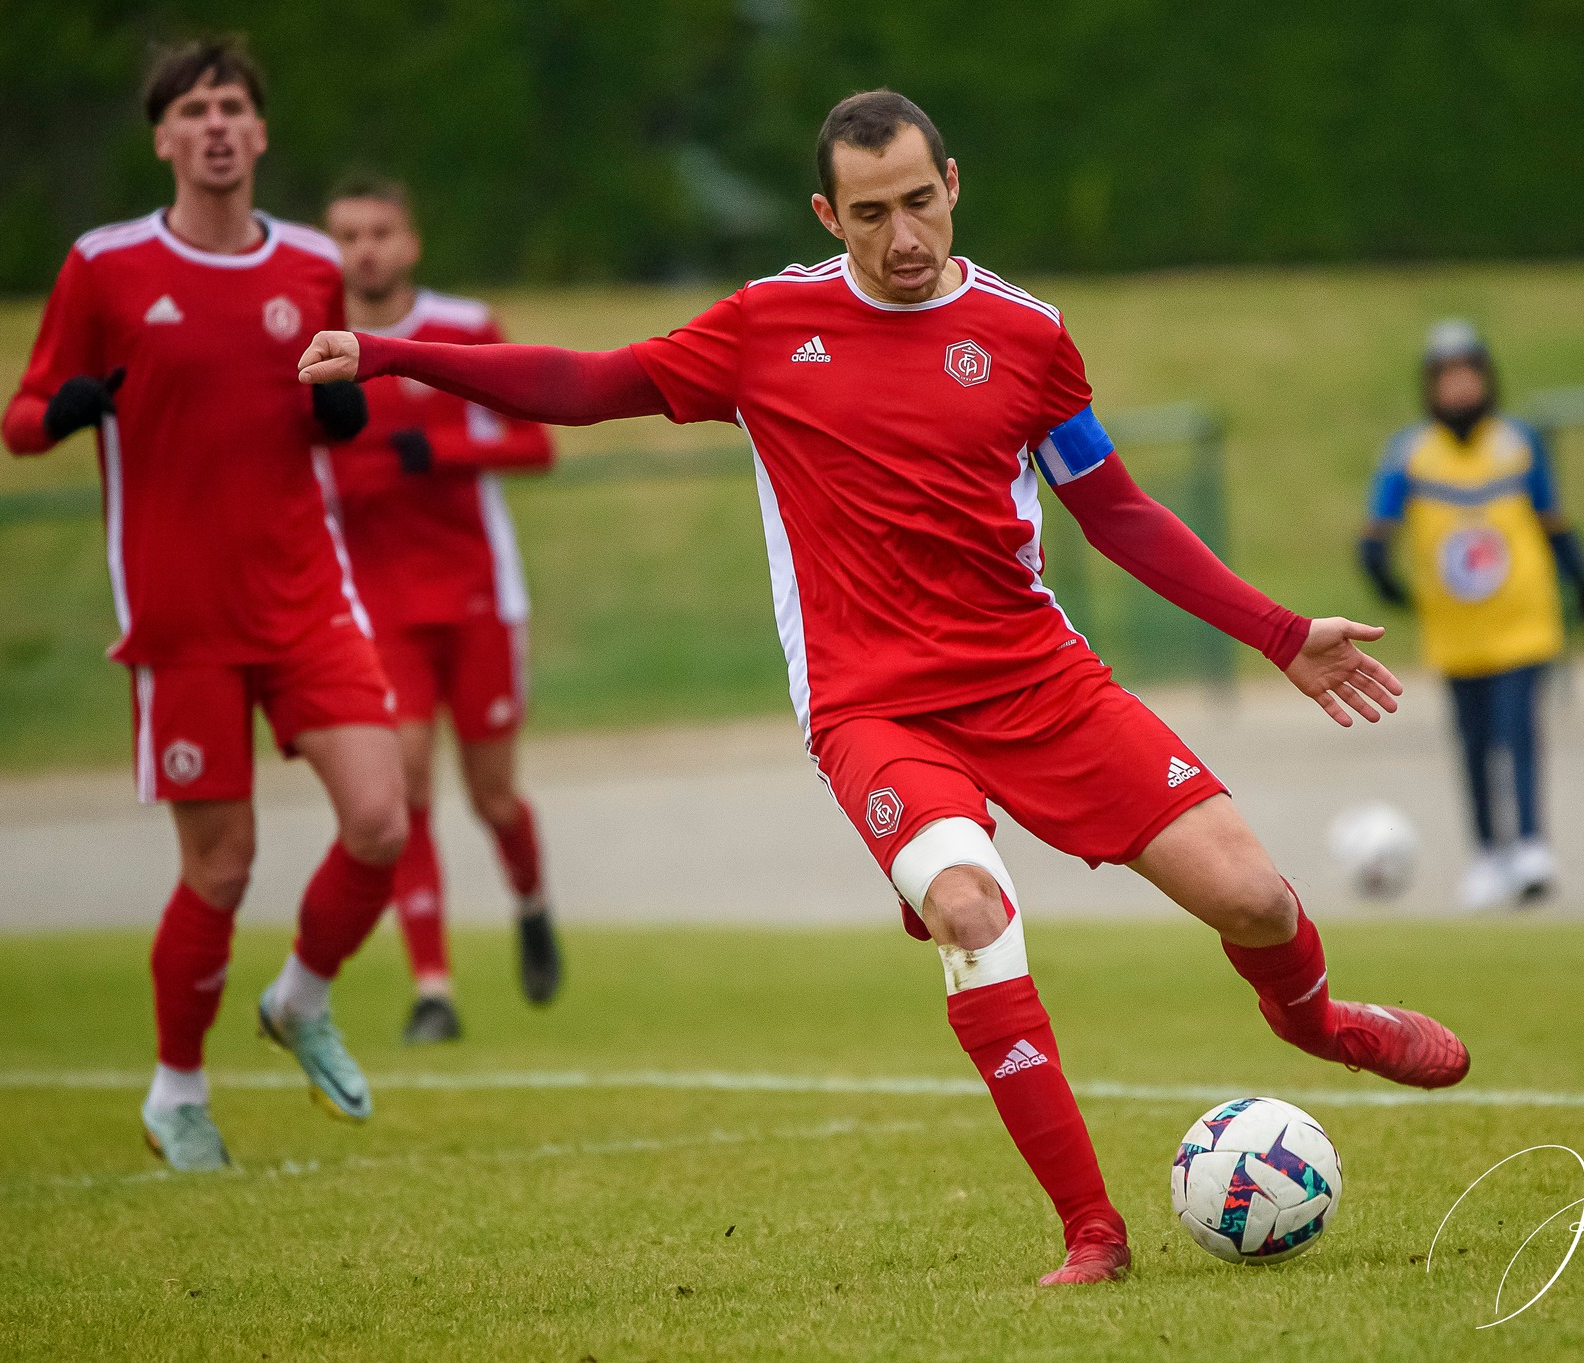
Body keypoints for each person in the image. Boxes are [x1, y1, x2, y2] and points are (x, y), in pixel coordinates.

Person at [298, 89, 1469, 1286]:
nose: (903, 237)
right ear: (828, 213)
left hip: (1037, 679)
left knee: (1257, 901)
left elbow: (1111, 509)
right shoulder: (767, 326)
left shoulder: (1026, 335)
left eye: (919, 202)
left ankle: (1322, 1025)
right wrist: (391, 356)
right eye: (871, 214)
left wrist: (1275, 632)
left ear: (951, 183)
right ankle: (1092, 1230)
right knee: (971, 911)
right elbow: (592, 383)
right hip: (872, 709)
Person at [0, 38, 406, 1170]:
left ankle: (299, 1001)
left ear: (261, 133)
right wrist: (69, 409)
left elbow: (339, 398)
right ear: (164, 140)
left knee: (382, 816)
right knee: (220, 868)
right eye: (195, 110)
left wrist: (342, 411)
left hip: (305, 597)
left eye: (234, 107)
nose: (218, 125)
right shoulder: (105, 266)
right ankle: (177, 1091)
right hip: (180, 620)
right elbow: (21, 417)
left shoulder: (314, 263)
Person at [323, 175, 563, 1043]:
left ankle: (531, 903)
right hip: (381, 606)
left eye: (381, 231)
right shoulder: (316, 348)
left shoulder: (463, 329)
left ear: (411, 242)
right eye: (348, 235)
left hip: (476, 598)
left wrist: (442, 448)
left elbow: (535, 442)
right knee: (406, 783)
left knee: (493, 796)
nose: (365, 250)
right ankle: (433, 987)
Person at [1358, 320, 1584, 911]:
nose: (1459, 389)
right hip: (1456, 629)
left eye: (1467, 376)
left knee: (1517, 728)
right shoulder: (1410, 452)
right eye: (1447, 379)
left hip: (1524, 620)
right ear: (1431, 386)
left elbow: (1554, 523)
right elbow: (1377, 531)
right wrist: (1381, 572)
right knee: (1472, 741)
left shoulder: (1518, 444)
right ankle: (1486, 854)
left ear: (1485, 379)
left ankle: (1529, 846)